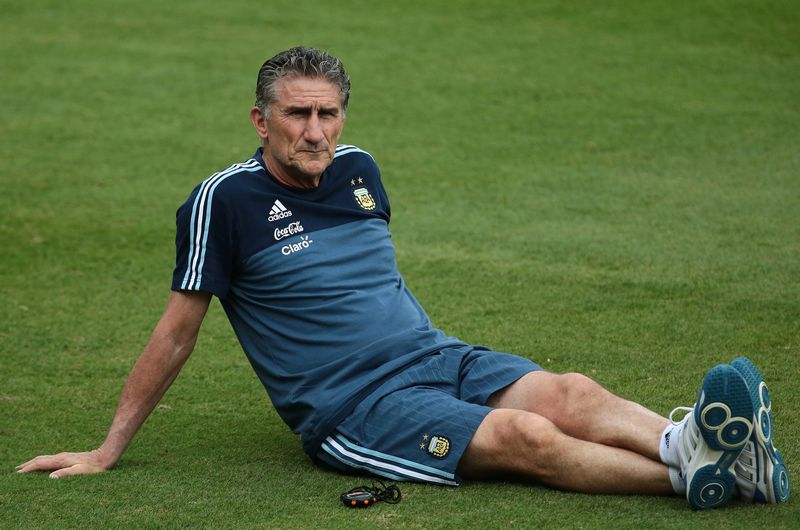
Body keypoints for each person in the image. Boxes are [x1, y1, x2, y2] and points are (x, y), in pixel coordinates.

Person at [16, 47, 789, 510]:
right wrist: (107, 449)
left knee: (573, 392)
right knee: (528, 434)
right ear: (260, 120)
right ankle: (704, 474)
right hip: (355, 406)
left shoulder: (359, 172)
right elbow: (178, 332)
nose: (313, 130)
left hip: (434, 355)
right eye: (295, 116)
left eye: (327, 113)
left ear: (343, 115)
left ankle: (686, 443)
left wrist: (430, 354)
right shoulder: (225, 202)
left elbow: (367, 281)